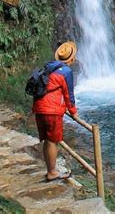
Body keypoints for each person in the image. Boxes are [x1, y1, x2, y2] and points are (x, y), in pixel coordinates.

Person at [32, 41, 78, 182]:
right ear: (71, 59)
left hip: (39, 108)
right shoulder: (66, 72)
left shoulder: (49, 67)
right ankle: (52, 172)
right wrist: (73, 112)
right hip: (51, 111)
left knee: (47, 140)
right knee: (53, 141)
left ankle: (50, 170)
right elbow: (68, 94)